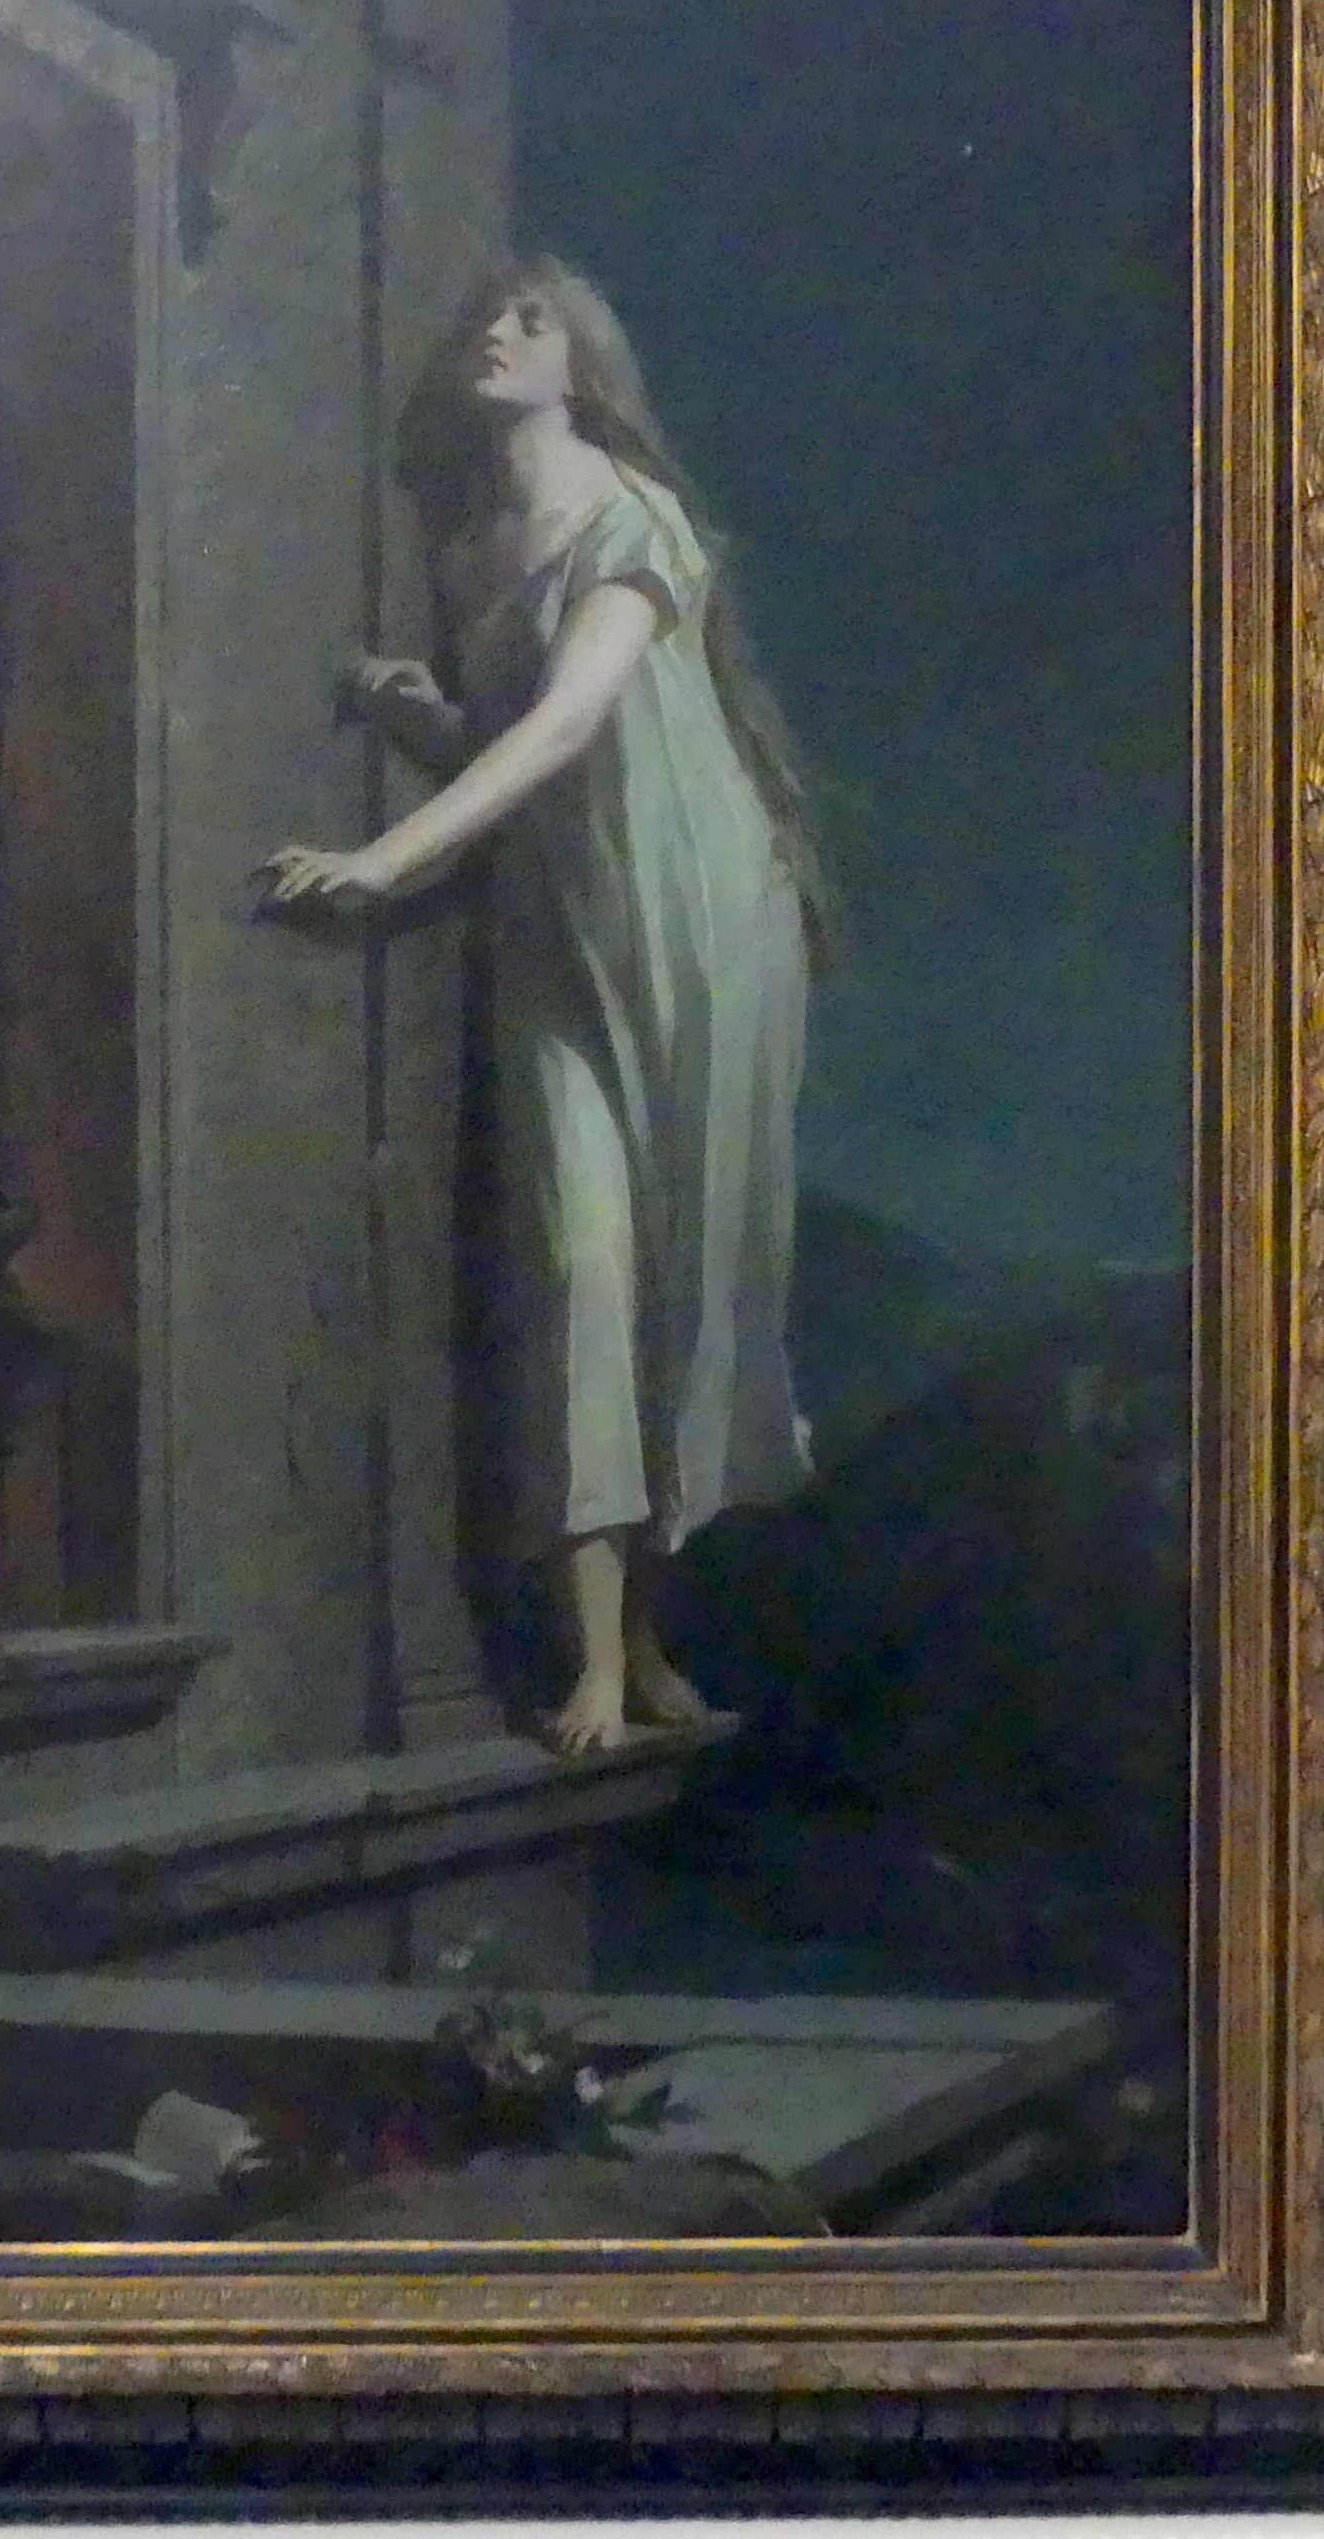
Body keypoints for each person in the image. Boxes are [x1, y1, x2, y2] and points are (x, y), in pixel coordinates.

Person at [260, 258, 824, 1756]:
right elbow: (506, 744)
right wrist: (417, 713)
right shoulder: (469, 547)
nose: (497, 338)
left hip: (702, 917)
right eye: (488, 321)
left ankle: (643, 1639)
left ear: (584, 363)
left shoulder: (634, 518)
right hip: (558, 924)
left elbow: (573, 720)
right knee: (581, 1264)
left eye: (533, 322)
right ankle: (592, 1656)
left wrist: (382, 860)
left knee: (689, 1274)